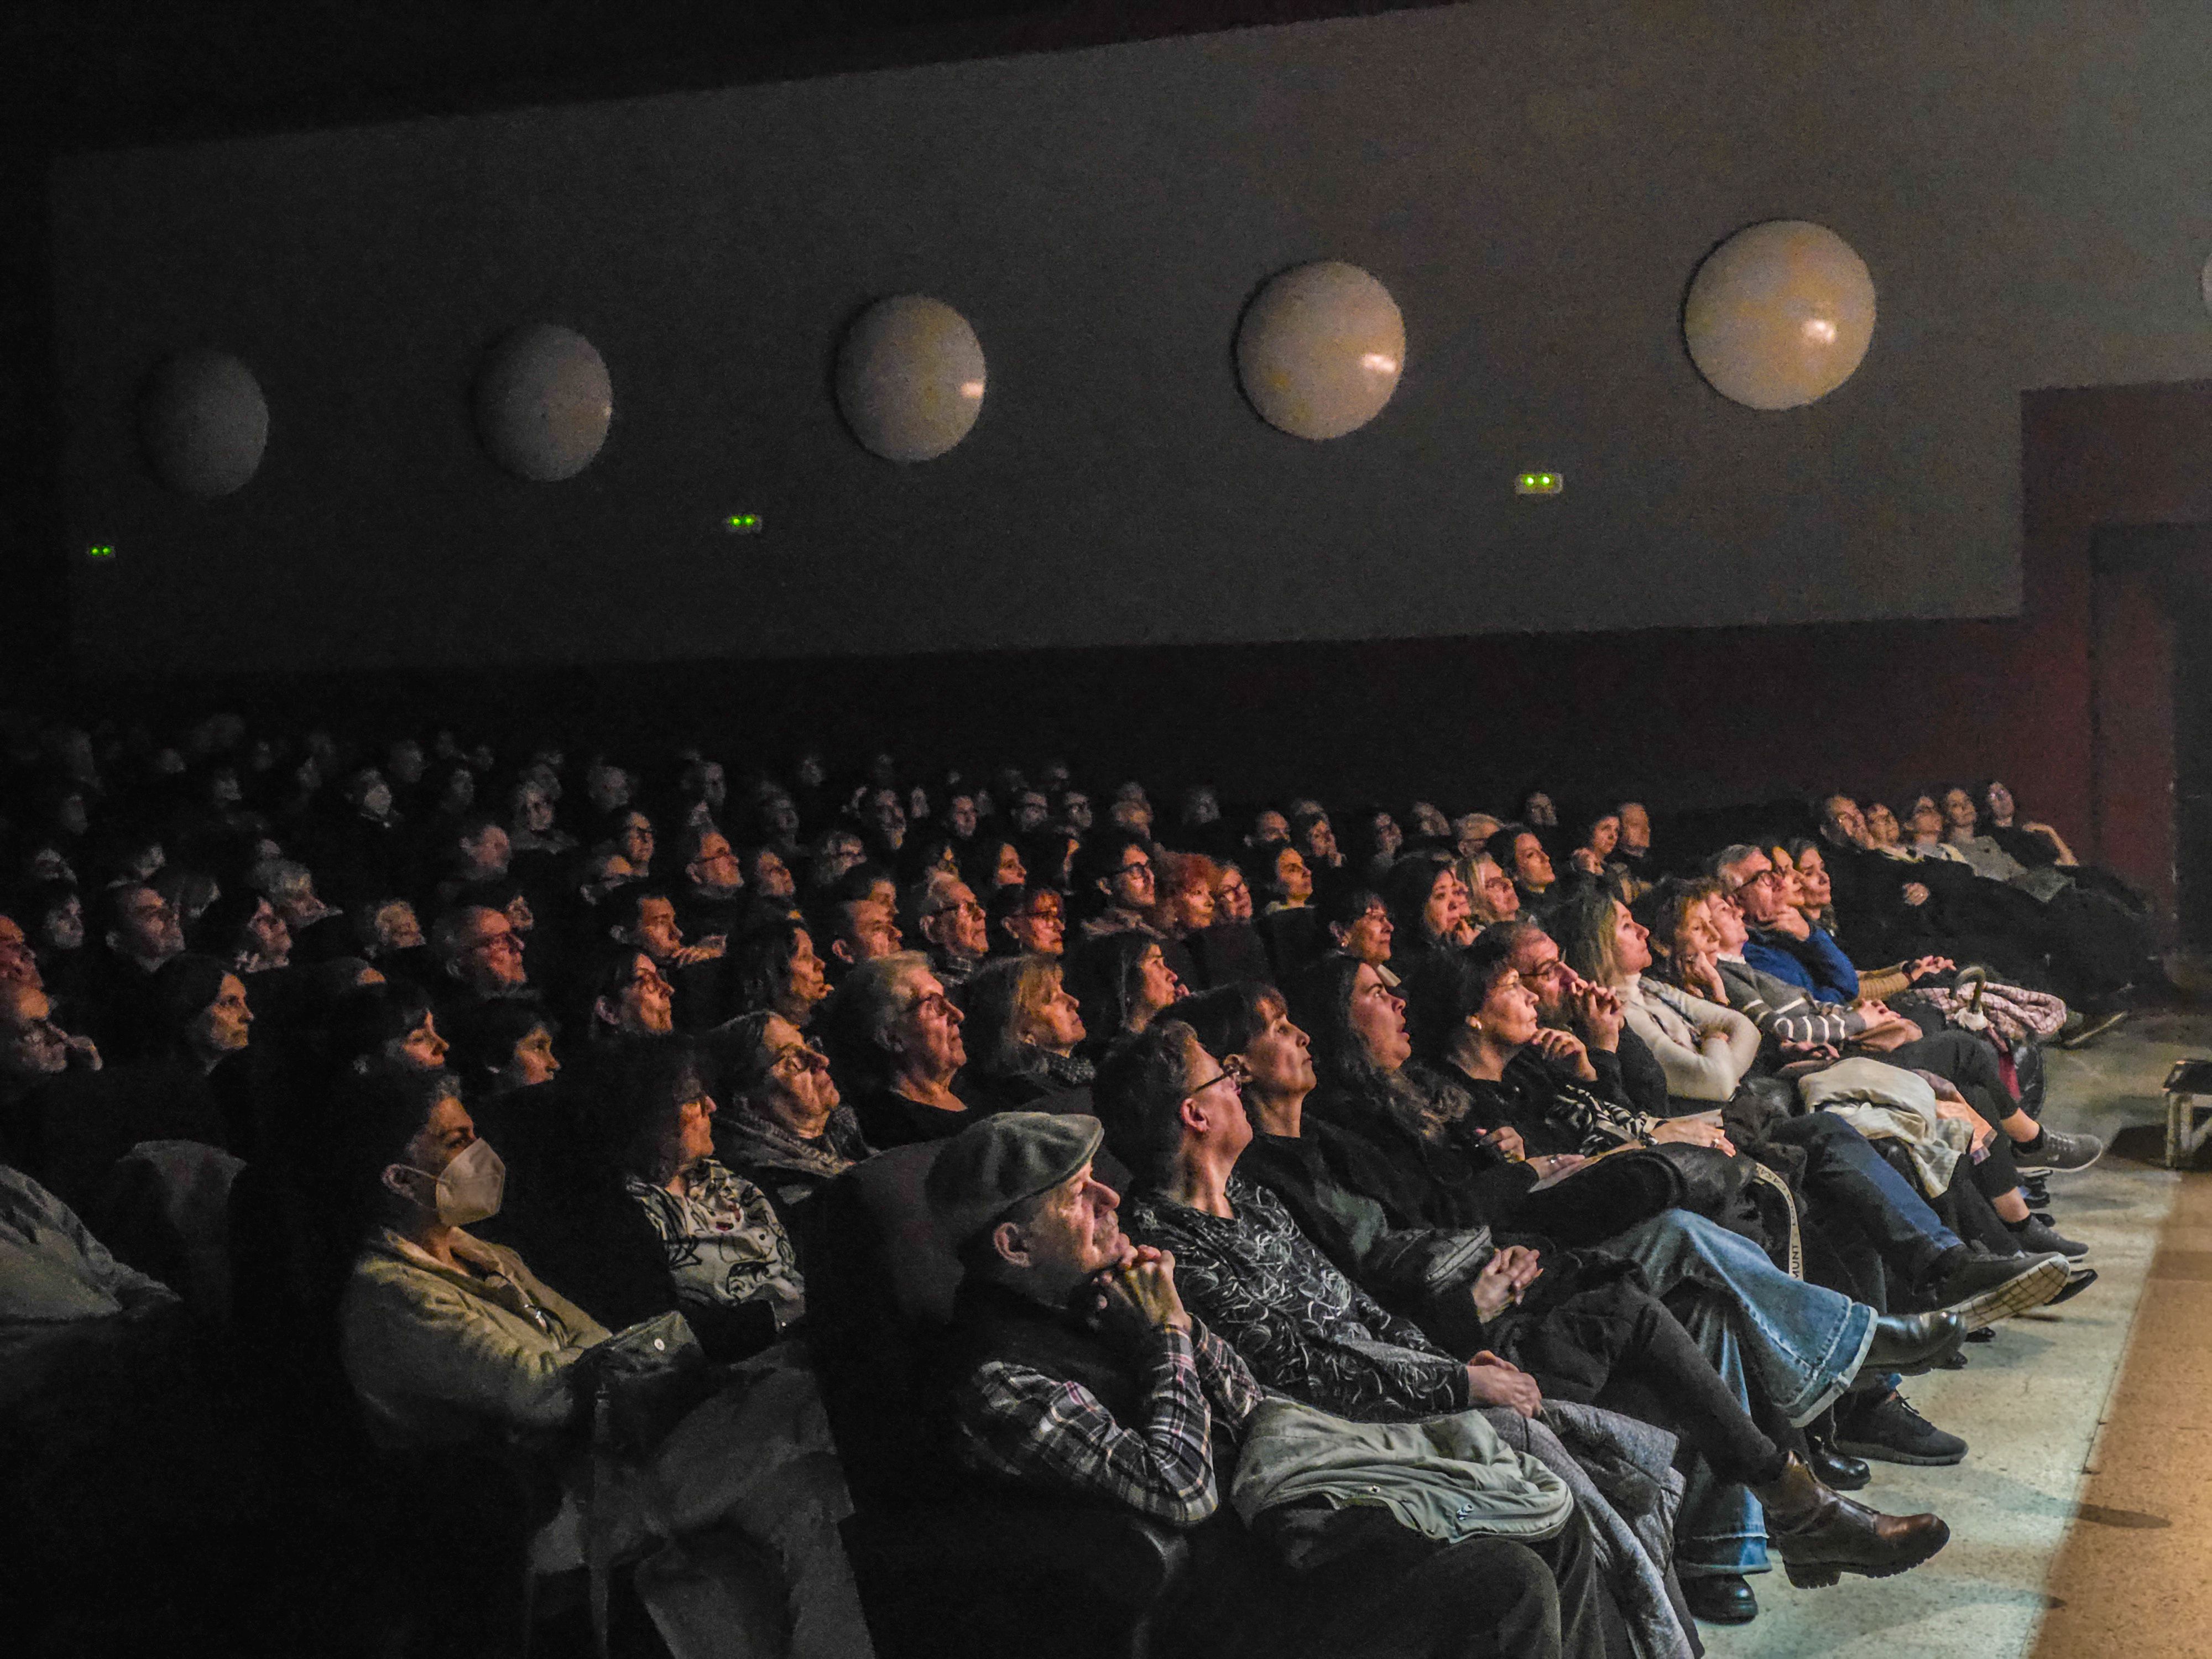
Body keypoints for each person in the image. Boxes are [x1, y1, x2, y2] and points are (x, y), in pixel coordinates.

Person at [1105, 1021, 1950, 1627]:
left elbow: (1354, 1308)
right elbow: (1301, 1366)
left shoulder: (1249, 1197)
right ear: (1195, 1112)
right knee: (1652, 1265)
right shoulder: (1172, 1246)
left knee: (1678, 1291)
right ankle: (1804, 1487)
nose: (1238, 1077)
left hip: (1429, 1351)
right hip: (1356, 1439)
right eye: (1222, 1071)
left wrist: (1447, 1351)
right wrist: (1455, 1374)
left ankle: (1768, 1519)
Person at [927, 1109, 1628, 1659]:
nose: (1111, 1197)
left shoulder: (1098, 1297)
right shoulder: (999, 1381)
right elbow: (1181, 1490)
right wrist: (1168, 1334)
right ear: (1014, 1246)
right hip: (1229, 1609)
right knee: (1507, 1583)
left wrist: (1176, 1330)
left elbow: (1250, 1402)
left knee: (1547, 1516)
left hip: (1293, 1531)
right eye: (1079, 1196)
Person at [335, 1069, 873, 1659]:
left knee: (807, 1492)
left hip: (621, 1454)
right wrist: (681, 1349)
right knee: (801, 1401)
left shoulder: (484, 1254)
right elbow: (551, 1390)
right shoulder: (389, 1295)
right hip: (560, 1502)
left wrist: (652, 1361)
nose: (479, 1154)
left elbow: (600, 1344)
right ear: (398, 1178)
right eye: (455, 1141)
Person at [817, 952, 974, 1146]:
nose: (958, 1015)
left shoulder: (976, 1088)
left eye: (947, 1000)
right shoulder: (895, 1128)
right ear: (891, 1037)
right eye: (934, 1005)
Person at [958, 954, 1094, 1113]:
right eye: (1051, 998)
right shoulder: (1030, 1094)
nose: (1074, 1002)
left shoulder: (1081, 1072)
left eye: (1062, 990)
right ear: (1020, 1031)